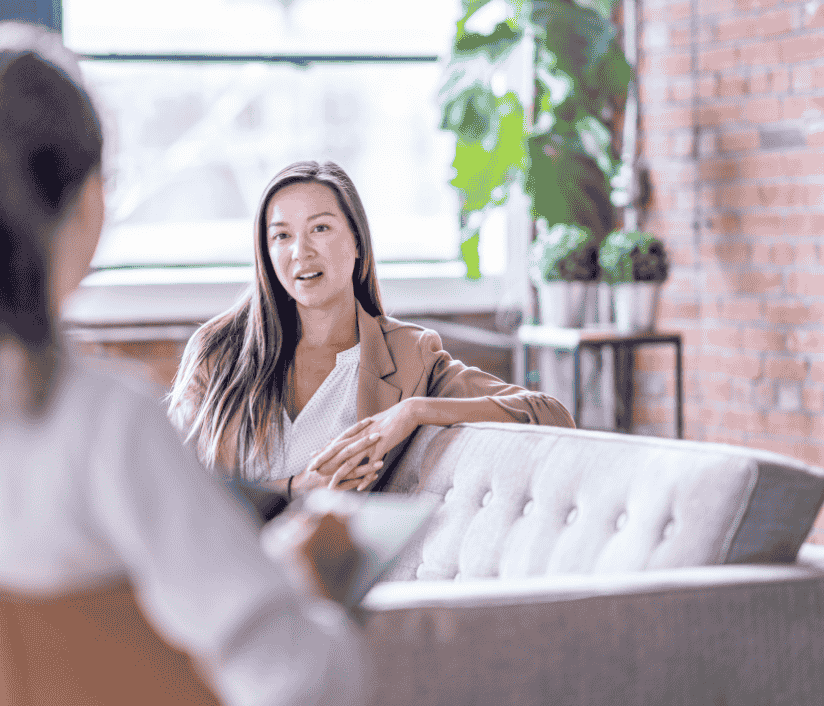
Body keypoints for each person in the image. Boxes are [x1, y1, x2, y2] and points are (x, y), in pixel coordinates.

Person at [0, 23, 370, 706]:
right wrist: (312, 592)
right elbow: (306, 688)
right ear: (86, 203)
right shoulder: (107, 422)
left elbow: (41, 633)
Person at [169, 161, 574, 498]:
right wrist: (297, 488)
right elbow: (173, 491)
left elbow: (550, 415)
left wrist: (415, 410)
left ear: (358, 241)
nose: (300, 251)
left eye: (320, 228)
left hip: (342, 579)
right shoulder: (217, 351)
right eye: (282, 235)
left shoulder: (409, 355)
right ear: (267, 252)